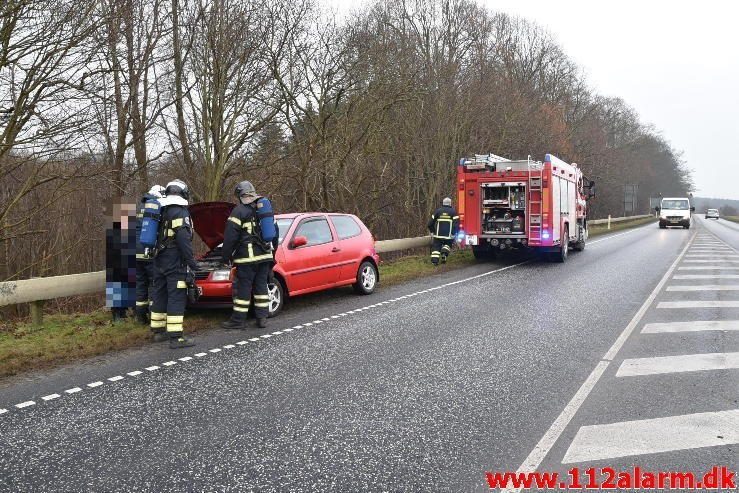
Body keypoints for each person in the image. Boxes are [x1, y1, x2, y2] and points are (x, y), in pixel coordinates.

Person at [221, 180, 276, 330]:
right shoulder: (263, 209)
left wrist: (225, 257)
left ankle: (238, 321)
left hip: (247, 259)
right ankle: (262, 319)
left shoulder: (239, 211)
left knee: (244, 288)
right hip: (265, 257)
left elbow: (230, 237)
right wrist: (273, 255)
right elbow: (274, 234)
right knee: (261, 287)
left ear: (240, 195)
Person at [150, 180, 198, 348]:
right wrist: (192, 262)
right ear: (183, 194)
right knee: (176, 295)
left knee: (160, 294)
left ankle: (158, 331)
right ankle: (176, 337)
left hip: (159, 259)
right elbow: (183, 240)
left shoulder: (161, 210)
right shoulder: (180, 212)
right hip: (174, 261)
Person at [134, 185, 165, 326]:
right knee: (154, 283)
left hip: (135, 252)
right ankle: (154, 316)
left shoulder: (139, 207)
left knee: (140, 284)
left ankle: (140, 318)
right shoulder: (156, 207)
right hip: (149, 251)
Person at [428, 197, 459, 265]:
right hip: (448, 235)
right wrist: (453, 233)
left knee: (436, 247)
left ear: (443, 203)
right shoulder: (453, 212)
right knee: (448, 244)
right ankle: (444, 253)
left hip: (438, 235)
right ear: (450, 203)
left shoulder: (438, 211)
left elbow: (430, 223)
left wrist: (432, 231)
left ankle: (434, 262)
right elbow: (456, 224)